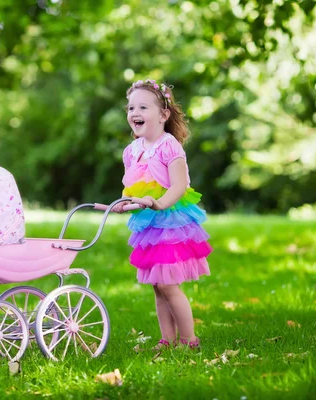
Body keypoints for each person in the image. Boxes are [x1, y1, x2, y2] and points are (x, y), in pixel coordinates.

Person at [113, 79, 212, 350]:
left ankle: (189, 339)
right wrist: (124, 202)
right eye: (131, 107)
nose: (135, 113)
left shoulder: (169, 146)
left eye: (143, 107)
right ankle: (167, 340)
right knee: (158, 285)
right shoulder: (132, 151)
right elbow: (131, 185)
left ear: (163, 115)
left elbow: (179, 186)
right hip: (150, 224)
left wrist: (158, 204)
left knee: (168, 284)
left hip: (171, 221)